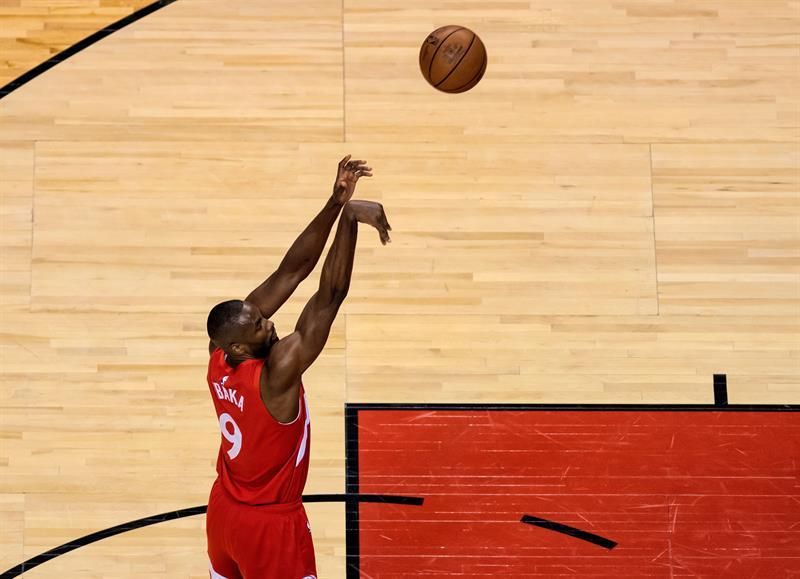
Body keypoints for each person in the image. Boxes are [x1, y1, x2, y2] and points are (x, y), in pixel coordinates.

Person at [204, 155, 391, 578]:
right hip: (270, 525)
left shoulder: (219, 358)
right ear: (238, 343)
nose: (268, 322)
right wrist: (349, 222)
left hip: (223, 514)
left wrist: (334, 202)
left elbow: (291, 271)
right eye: (258, 325)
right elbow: (329, 296)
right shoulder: (277, 375)